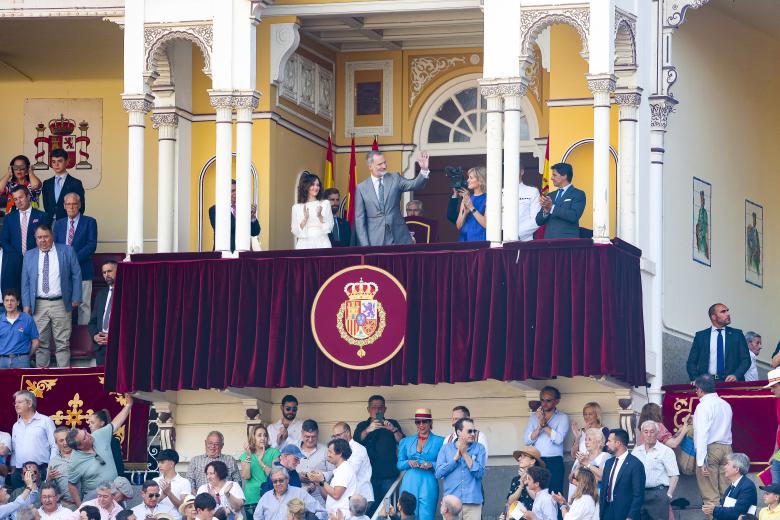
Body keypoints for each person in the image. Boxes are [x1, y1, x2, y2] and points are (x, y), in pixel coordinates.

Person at [21, 224, 81, 368]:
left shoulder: (67, 250)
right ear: (35, 239)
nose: (43, 240)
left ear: (52, 236)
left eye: (46, 236)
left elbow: (76, 275)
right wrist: (26, 305)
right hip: (38, 304)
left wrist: (76, 297)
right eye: (39, 237)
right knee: (40, 343)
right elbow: (25, 282)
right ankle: (43, 378)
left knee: (63, 343)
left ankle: (64, 377)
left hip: (61, 303)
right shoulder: (29, 255)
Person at [66, 394, 134, 503]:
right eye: (85, 438)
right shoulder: (74, 461)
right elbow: (71, 485)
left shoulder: (98, 435)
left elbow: (116, 422)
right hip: (95, 499)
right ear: (79, 447)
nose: (89, 435)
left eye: (86, 432)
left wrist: (128, 405)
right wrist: (80, 506)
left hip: (115, 494)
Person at [353, 151, 430, 246]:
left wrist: (424, 170)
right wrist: (365, 245)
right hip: (375, 240)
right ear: (370, 167)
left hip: (399, 238)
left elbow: (415, 185)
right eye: (380, 164)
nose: (384, 166)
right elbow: (359, 220)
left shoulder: (395, 178)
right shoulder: (361, 188)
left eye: (384, 162)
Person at [52, 193, 96, 325]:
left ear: (79, 205)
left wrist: (73, 259)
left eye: (74, 203)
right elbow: (55, 246)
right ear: (64, 206)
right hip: (63, 272)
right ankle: (65, 337)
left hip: (83, 270)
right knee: (64, 305)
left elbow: (91, 245)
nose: (71, 207)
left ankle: (84, 339)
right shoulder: (58, 224)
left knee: (84, 306)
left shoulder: (90, 222)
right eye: (68, 204)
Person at [354, 395, 402, 515]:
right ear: (368, 409)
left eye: (380, 408)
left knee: (387, 508)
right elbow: (354, 443)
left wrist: (393, 429)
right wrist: (368, 430)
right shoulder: (362, 425)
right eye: (374, 407)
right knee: (370, 506)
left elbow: (402, 442)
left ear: (385, 409)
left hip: (387, 475)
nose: (377, 410)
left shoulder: (392, 423)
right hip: (368, 476)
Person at [693, 374, 734, 512]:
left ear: (699, 389)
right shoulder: (725, 404)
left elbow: (702, 434)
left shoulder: (703, 406)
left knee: (710, 494)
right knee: (727, 492)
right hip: (727, 449)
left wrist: (701, 461)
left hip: (710, 449)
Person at [435, 417, 486, 520]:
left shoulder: (479, 448)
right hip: (451, 503)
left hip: (472, 502)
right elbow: (438, 473)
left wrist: (464, 453)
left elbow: (479, 473)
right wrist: (455, 459)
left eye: (474, 431)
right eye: (469, 431)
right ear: (459, 432)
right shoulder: (446, 448)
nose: (473, 434)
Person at [397, 409, 443, 520]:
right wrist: (408, 462)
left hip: (428, 482)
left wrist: (431, 464)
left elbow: (443, 464)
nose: (421, 424)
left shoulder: (440, 441)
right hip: (410, 481)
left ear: (430, 422)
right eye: (418, 422)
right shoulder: (407, 441)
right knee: (408, 514)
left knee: (427, 514)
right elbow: (399, 464)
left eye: (424, 421)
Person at [686, 303, 751, 382]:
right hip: (707, 383)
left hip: (732, 383)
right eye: (723, 312)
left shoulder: (737, 334)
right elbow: (691, 362)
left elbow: (746, 360)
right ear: (713, 317)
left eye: (727, 311)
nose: (728, 314)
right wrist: (696, 379)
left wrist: (736, 375)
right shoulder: (701, 336)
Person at [0, 186, 51, 284]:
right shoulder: (9, 218)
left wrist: (33, 255)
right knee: (17, 292)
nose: (18, 201)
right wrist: (15, 255)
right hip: (14, 262)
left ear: (28, 197)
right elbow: (4, 240)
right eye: (15, 199)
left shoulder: (42, 216)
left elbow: (46, 240)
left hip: (36, 261)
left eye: (21, 197)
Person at [523, 386, 569, 494]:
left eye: (548, 401)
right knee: (536, 493)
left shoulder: (563, 417)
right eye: (542, 400)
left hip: (554, 461)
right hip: (537, 460)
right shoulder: (534, 417)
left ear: (556, 401)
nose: (544, 404)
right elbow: (527, 440)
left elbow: (558, 440)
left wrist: (545, 426)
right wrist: (539, 427)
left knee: (554, 493)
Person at [632, 420, 679, 520]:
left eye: (652, 431)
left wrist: (668, 495)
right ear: (642, 433)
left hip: (659, 494)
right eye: (646, 431)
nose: (649, 434)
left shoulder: (666, 451)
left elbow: (674, 475)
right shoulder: (636, 452)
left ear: (657, 433)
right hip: (640, 494)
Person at [10, 391, 56, 489]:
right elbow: (14, 449)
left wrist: (51, 466)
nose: (16, 405)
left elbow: (54, 445)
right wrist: (13, 468)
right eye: (15, 403)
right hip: (19, 473)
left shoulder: (45, 421)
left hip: (41, 470)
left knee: (40, 501)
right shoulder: (16, 425)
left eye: (19, 402)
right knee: (20, 502)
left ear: (30, 403)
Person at [599, 429, 645, 520]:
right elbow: (604, 488)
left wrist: (631, 516)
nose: (606, 444)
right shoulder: (608, 463)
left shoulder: (635, 464)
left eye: (609, 441)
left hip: (625, 514)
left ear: (618, 443)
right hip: (607, 512)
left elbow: (638, 494)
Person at [535, 163, 586, 239]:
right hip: (548, 242)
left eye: (554, 175)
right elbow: (538, 221)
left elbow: (573, 216)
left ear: (564, 176)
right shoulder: (550, 195)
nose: (551, 178)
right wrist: (545, 211)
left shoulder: (578, 194)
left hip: (567, 242)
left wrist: (552, 208)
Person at [239, 425, 280, 519]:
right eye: (259, 435)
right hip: (252, 498)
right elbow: (246, 476)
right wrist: (248, 457)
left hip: (271, 496)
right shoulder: (245, 455)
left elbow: (275, 475)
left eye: (265, 435)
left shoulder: (274, 452)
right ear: (253, 438)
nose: (263, 438)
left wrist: (261, 463)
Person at [208, 180, 261, 252]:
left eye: (237, 190)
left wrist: (252, 217)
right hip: (224, 255)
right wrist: (244, 218)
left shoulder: (243, 208)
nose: (235, 193)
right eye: (232, 191)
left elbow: (255, 232)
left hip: (244, 254)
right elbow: (224, 228)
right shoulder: (215, 209)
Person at [701, 453, 756, 519]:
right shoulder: (732, 486)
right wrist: (714, 509)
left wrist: (715, 510)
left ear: (736, 469)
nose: (725, 467)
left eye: (728, 464)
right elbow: (726, 508)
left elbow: (738, 512)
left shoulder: (748, 487)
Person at [311, 438, 356, 518]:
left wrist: (322, 481)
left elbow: (336, 495)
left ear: (340, 454)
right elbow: (329, 497)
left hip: (342, 516)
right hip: (334, 515)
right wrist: (318, 483)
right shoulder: (339, 470)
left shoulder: (344, 470)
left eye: (330, 452)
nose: (328, 455)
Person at [252, 467, 319, 520]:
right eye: (275, 481)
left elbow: (319, 512)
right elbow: (257, 517)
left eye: (281, 480)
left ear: (287, 480)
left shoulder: (300, 493)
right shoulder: (266, 497)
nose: (278, 484)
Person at [330, 423, 372, 505]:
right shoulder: (342, 449)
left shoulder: (357, 449)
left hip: (361, 498)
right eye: (334, 436)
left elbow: (349, 472)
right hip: (351, 498)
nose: (336, 439)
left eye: (338, 435)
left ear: (348, 432)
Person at [291, 172, 333, 249]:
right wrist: (305, 219)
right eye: (312, 184)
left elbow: (329, 227)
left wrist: (320, 216)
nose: (316, 187)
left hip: (323, 244)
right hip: (304, 245)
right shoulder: (296, 207)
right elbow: (295, 230)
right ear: (306, 186)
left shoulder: (325, 203)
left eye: (317, 185)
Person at [41, 149, 86, 221]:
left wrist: (72, 222)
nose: (56, 165)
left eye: (60, 161)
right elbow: (46, 206)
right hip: (50, 223)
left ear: (67, 162)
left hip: (68, 221)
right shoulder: (47, 183)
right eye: (53, 162)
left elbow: (81, 207)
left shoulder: (76, 183)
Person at [87, 260, 117, 366]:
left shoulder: (126, 293)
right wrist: (95, 336)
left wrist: (113, 337)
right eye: (104, 272)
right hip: (101, 348)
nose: (106, 275)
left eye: (109, 271)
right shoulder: (101, 294)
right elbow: (92, 322)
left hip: (118, 347)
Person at [0, 289, 39, 368]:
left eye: (12, 300)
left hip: (22, 361)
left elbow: (36, 341)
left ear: (18, 302)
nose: (9, 303)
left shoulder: (27, 319)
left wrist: (26, 356)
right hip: (2, 361)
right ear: (3, 303)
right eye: (6, 300)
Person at [296, 420, 332, 507]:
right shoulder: (294, 449)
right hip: (297, 499)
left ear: (318, 434)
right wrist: (298, 476)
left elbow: (332, 472)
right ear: (301, 434)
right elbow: (286, 471)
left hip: (320, 500)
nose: (310, 440)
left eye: (313, 436)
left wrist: (319, 477)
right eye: (307, 436)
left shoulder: (326, 450)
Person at [567, 428, 609, 498]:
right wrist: (580, 464)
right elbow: (571, 478)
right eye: (585, 439)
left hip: (597, 495)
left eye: (589, 439)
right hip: (581, 495)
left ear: (599, 442)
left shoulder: (605, 456)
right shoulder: (582, 456)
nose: (586, 442)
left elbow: (603, 476)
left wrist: (586, 463)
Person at [154, 449, 191, 517]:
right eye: (158, 462)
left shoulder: (184, 482)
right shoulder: (155, 481)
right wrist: (162, 496)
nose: (159, 465)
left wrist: (169, 493)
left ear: (171, 464)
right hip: (156, 517)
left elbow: (184, 509)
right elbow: (148, 504)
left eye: (162, 462)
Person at [507, 446, 545, 513]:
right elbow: (510, 501)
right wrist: (521, 485)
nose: (519, 459)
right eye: (520, 456)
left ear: (532, 461)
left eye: (524, 456)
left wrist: (526, 481)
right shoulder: (516, 479)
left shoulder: (540, 478)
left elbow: (539, 499)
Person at [87, 411, 124, 479]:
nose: (89, 425)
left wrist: (119, 480)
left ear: (102, 423)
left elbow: (118, 464)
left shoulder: (112, 441)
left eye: (92, 422)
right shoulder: (88, 441)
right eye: (89, 423)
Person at [48, 427, 78, 509]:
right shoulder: (53, 462)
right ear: (56, 443)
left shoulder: (82, 454)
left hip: (87, 502)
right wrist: (49, 478)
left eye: (67, 439)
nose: (65, 443)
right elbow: (49, 487)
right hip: (67, 506)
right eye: (61, 441)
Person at [455, 167, 486, 242]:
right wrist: (465, 212)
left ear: (480, 181)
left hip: (479, 241)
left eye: (471, 178)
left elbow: (486, 224)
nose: (467, 180)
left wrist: (472, 208)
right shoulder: (467, 198)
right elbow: (458, 226)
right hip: (464, 241)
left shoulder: (487, 198)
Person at [518, 168, 541, 241]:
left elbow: (536, 219)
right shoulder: (500, 192)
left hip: (524, 241)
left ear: (521, 171)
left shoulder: (532, 191)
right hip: (500, 241)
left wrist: (517, 234)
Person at [766, 367, 780, 484]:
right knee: (775, 468)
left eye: (774, 386)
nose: (771, 391)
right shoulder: (778, 400)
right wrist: (775, 453)